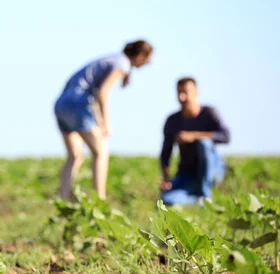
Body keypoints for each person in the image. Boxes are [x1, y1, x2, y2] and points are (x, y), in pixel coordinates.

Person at [54, 40, 153, 201]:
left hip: (61, 105)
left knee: (75, 155)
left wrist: (97, 119)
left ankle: (63, 199)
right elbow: (102, 93)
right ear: (141, 56)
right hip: (77, 105)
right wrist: (105, 124)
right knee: (101, 152)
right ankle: (100, 199)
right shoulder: (122, 64)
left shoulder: (112, 59)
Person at [160, 77, 230, 205]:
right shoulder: (172, 121)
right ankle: (197, 199)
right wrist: (166, 179)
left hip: (214, 169)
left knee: (204, 143)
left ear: (196, 92)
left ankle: (205, 194)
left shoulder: (209, 113)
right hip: (188, 173)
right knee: (166, 200)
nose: (182, 97)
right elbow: (166, 153)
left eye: (186, 92)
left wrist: (194, 136)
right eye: (179, 93)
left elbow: (225, 136)